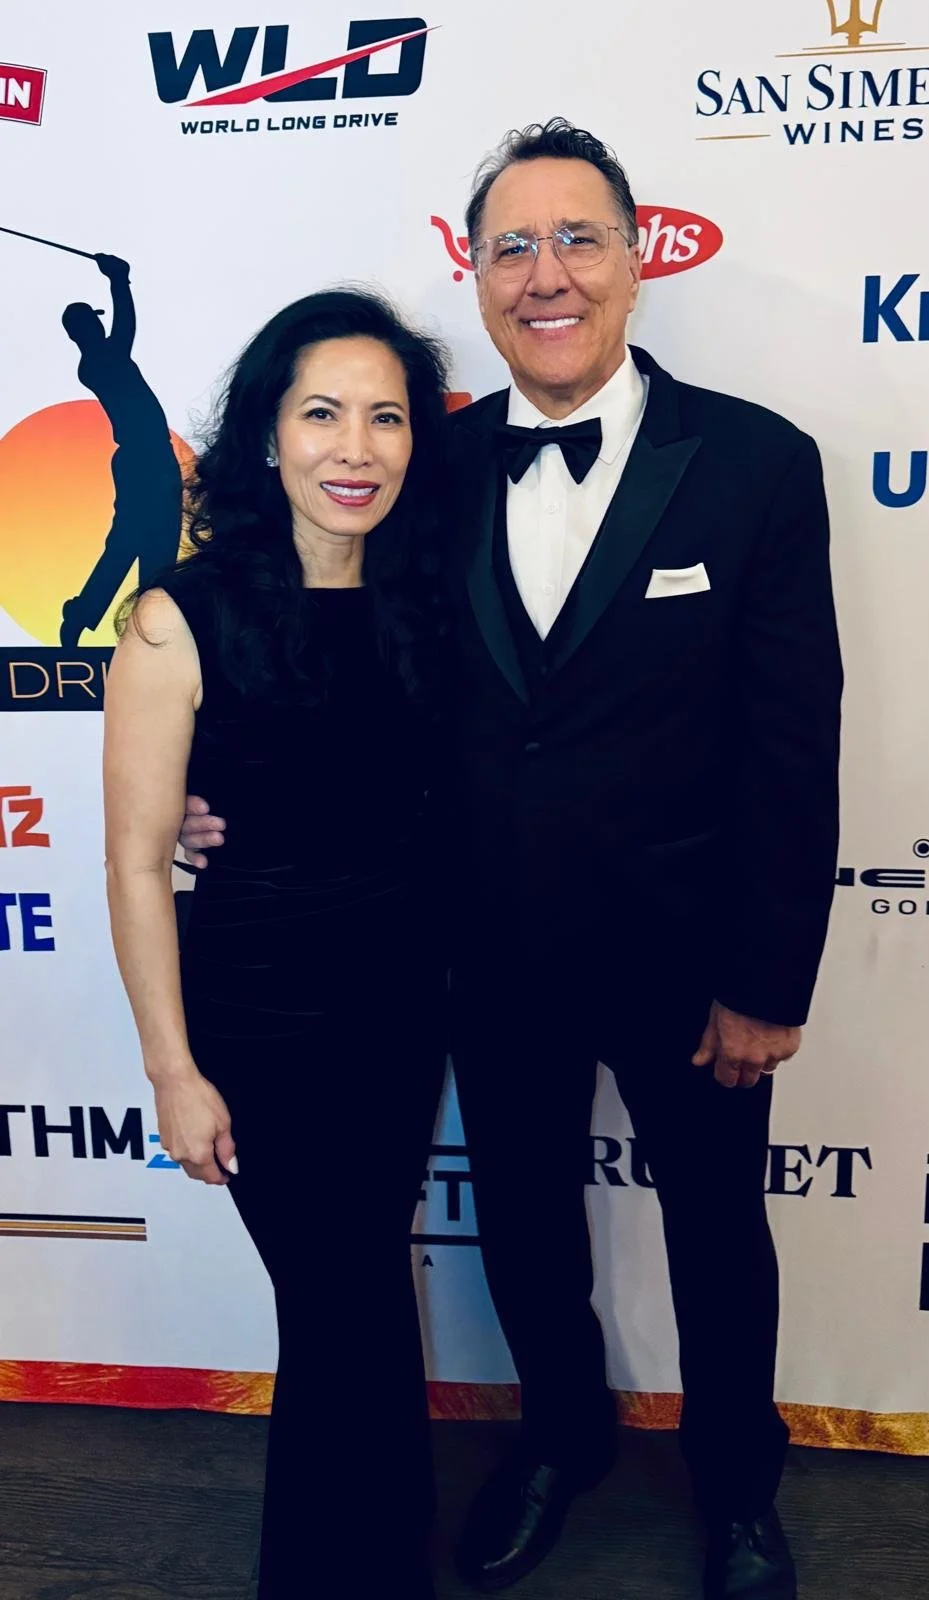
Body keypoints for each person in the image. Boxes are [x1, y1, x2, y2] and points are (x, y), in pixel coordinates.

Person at [182, 121, 843, 1600]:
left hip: (691, 958)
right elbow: (321, 649)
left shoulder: (754, 462)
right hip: (478, 952)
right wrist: (196, 789)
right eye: (511, 247)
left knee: (717, 1237)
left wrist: (766, 977)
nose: (546, 274)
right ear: (476, 275)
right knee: (528, 1233)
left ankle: (739, 1488)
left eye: (577, 239)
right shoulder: (427, 463)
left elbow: (792, 743)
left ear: (636, 260)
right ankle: (560, 1441)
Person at [104, 290, 451, 1600]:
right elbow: (137, 860)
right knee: (343, 1305)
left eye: (385, 416)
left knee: (354, 1308)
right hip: (261, 1022)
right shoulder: (177, 619)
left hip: (401, 1013)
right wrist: (172, 1071)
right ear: (265, 434)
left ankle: (368, 1565)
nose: (354, 447)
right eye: (321, 413)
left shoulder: (430, 602)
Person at [60, 252, 182, 647]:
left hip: (149, 456)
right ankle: (121, 617)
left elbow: (122, 329)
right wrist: (118, 280)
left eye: (96, 320)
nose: (97, 325)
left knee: (147, 542)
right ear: (79, 332)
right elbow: (126, 326)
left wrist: (118, 278)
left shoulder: (101, 358)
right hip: (143, 458)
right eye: (89, 322)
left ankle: (140, 621)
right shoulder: (98, 361)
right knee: (140, 541)